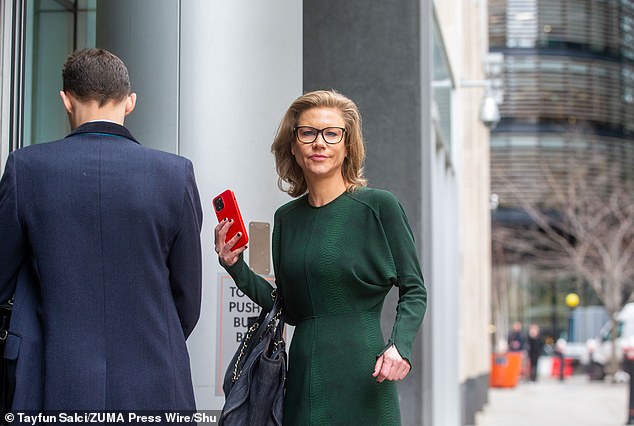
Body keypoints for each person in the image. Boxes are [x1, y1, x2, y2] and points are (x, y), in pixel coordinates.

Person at [0, 48, 203, 410]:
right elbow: (187, 301)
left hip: (52, 379)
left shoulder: (26, 168)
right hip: (155, 380)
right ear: (130, 102)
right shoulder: (176, 174)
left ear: (65, 100)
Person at [215, 90, 427, 425]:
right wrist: (236, 267)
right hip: (304, 379)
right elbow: (287, 308)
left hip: (365, 374)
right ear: (293, 146)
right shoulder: (286, 219)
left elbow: (414, 289)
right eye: (308, 133)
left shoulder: (379, 207)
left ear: (347, 146)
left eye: (332, 133)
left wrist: (400, 346)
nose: (319, 143)